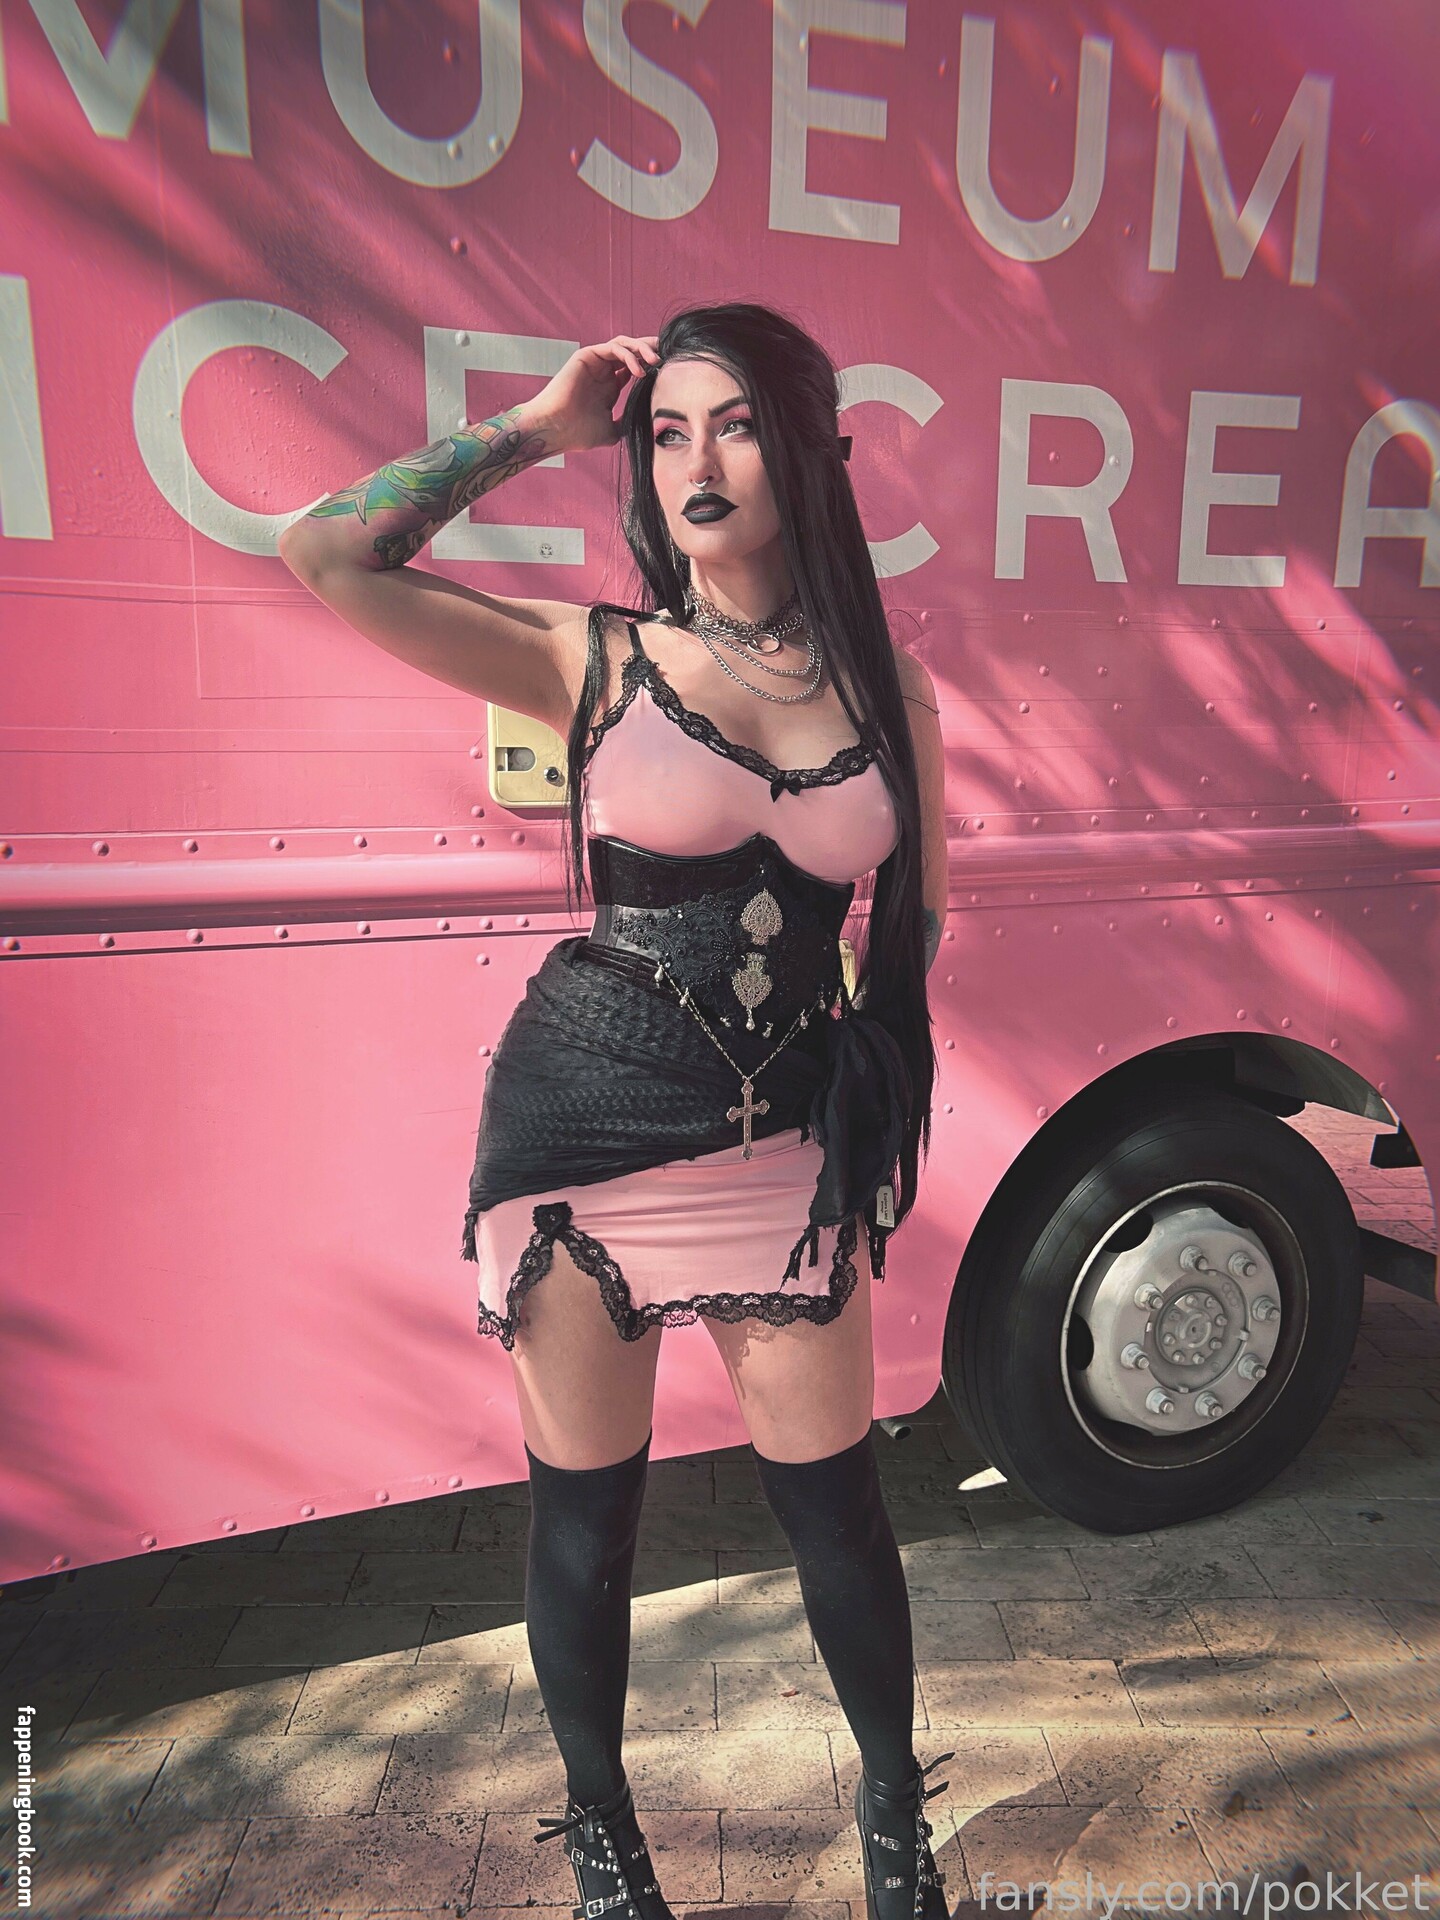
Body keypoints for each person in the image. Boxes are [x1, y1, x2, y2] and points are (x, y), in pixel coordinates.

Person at [279, 303, 954, 1918]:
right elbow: (329, 553)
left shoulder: (891, 687)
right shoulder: (598, 657)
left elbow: (912, 927)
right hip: (579, 1137)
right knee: (588, 1528)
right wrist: (537, 425)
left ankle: (894, 1830)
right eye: (667, 433)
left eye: (735, 425)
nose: (696, 461)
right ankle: (605, 1853)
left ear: (803, 451)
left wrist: (862, 1109)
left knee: (839, 1516)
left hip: (782, 1148)